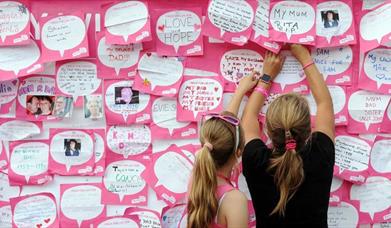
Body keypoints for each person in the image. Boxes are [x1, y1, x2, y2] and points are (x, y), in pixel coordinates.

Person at [241, 46, 335, 227]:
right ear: (309, 129)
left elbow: (249, 117)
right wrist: (304, 57)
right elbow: (324, 103)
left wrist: (266, 77)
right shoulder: (320, 154)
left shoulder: (256, 160)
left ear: (267, 129)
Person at [187, 75, 261, 228]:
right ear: (239, 152)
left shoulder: (195, 182)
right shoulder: (234, 200)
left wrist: (240, 92)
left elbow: (224, 131)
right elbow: (225, 131)